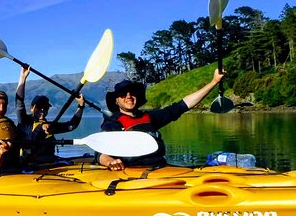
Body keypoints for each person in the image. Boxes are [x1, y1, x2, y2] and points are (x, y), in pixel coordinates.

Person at [96, 69, 225, 170]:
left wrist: (213, 82)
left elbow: (183, 105)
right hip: (133, 172)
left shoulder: (149, 118)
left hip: (160, 168)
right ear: (116, 101)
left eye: (132, 93)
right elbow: (99, 153)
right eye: (123, 94)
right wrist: (109, 161)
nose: (128, 96)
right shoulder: (113, 123)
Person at [15, 66, 85, 165]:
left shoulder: (50, 126)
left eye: (45, 107)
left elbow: (71, 125)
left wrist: (81, 106)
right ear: (31, 108)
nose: (42, 110)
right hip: (30, 164)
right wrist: (22, 78)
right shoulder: (24, 121)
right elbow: (19, 103)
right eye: (39, 106)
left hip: (50, 161)